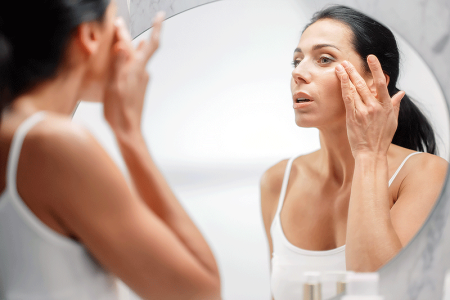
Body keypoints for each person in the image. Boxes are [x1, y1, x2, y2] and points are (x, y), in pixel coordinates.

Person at [0, 1, 221, 299]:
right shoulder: (53, 145)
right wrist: (129, 133)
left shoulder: (16, 133)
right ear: (90, 35)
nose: (126, 38)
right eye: (116, 21)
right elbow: (200, 292)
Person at [260, 5, 448, 300]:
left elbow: (382, 293)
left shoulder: (425, 174)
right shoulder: (277, 181)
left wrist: (368, 154)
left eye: (324, 59)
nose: (299, 72)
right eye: (297, 60)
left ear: (375, 82)